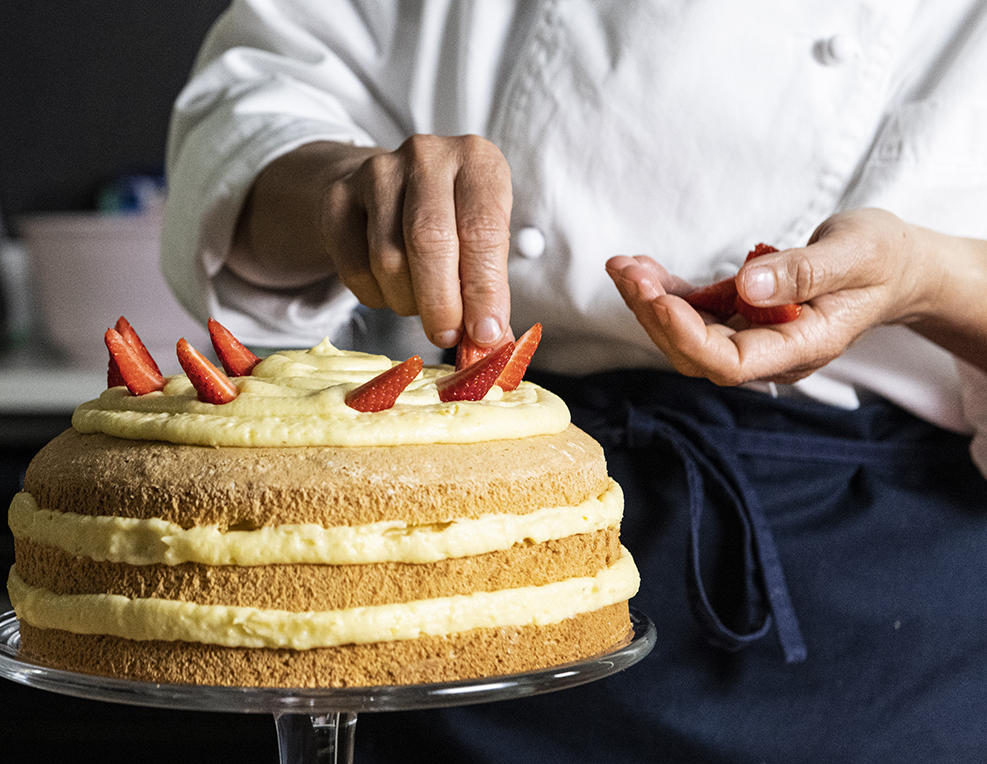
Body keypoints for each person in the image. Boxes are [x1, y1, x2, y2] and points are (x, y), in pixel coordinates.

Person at [159, 2, 987, 761]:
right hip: (458, 535)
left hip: (869, 586)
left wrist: (926, 277)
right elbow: (257, 101)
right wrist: (348, 191)